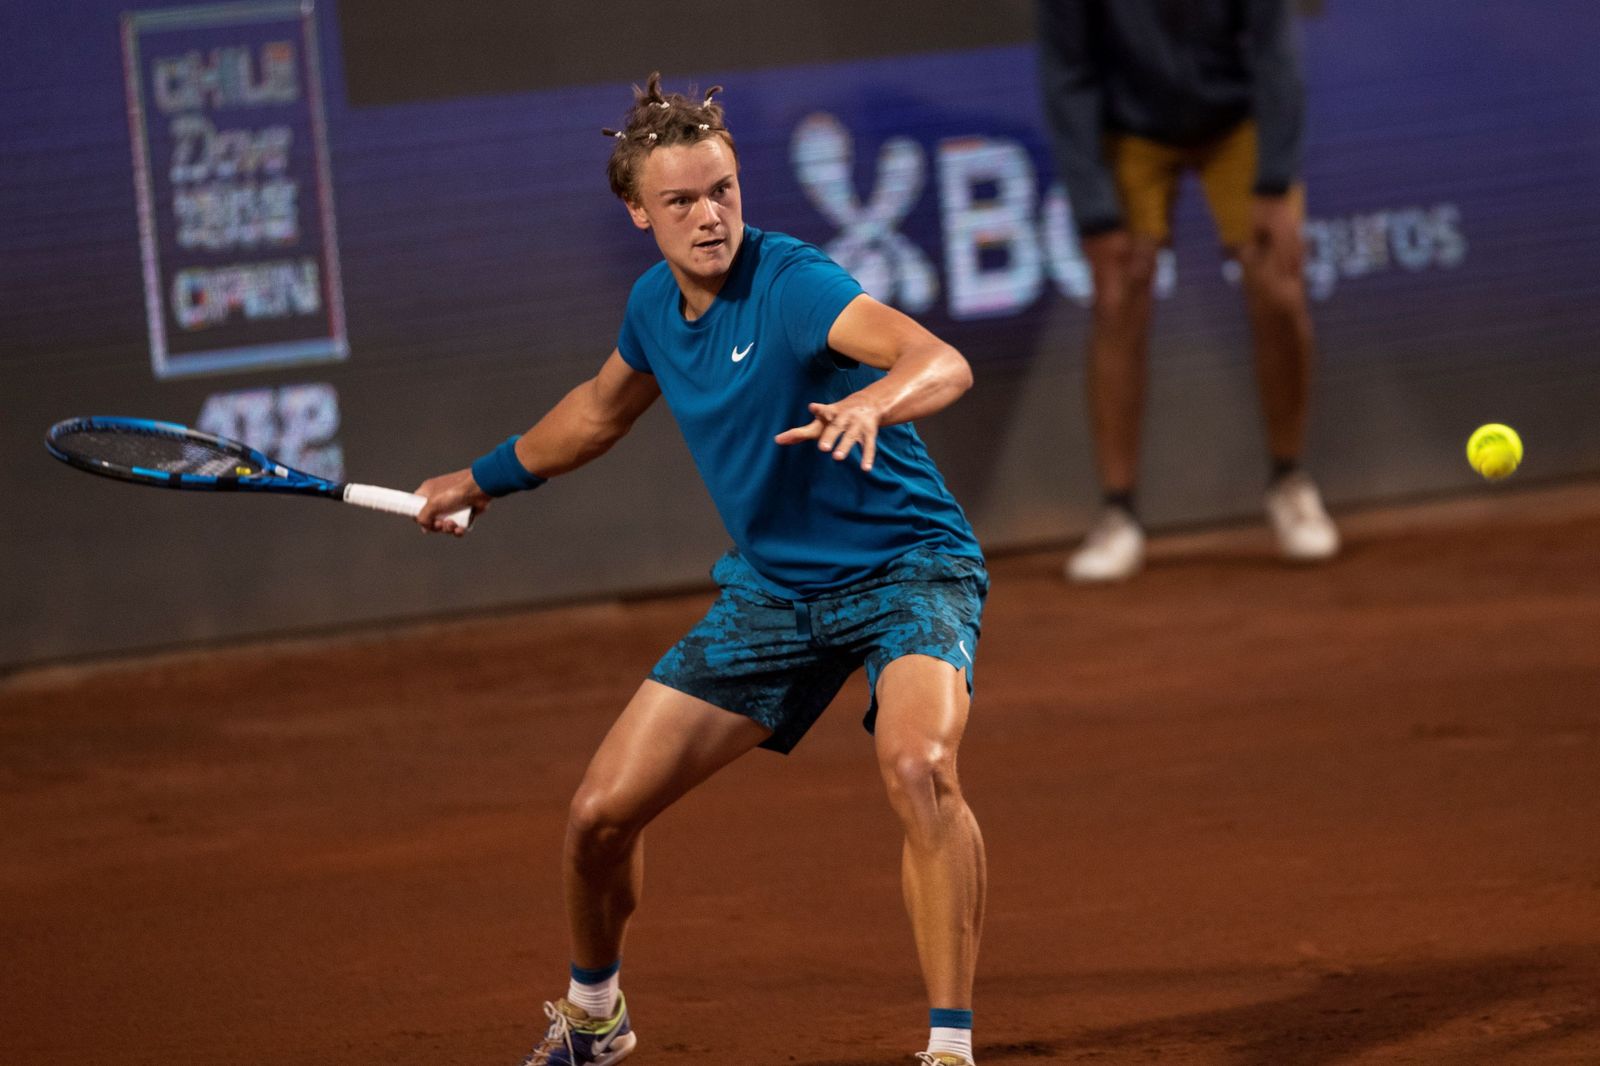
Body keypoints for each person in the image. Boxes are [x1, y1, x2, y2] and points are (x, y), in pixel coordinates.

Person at [414, 74, 987, 1066]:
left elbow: (938, 358)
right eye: (680, 201)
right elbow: (598, 412)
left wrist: (874, 402)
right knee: (599, 817)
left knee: (919, 766)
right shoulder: (653, 307)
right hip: (775, 594)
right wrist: (480, 478)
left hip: (908, 570)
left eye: (722, 190)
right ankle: (595, 1017)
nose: (709, 215)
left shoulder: (794, 283)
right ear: (639, 213)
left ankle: (948, 1046)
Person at [1036, 0, 1340, 582]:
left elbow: (1275, 50)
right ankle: (1118, 513)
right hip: (1129, 130)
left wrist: (1274, 182)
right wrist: (1097, 214)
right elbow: (1067, 75)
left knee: (1278, 288)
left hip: (1237, 122)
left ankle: (1290, 482)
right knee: (1118, 299)